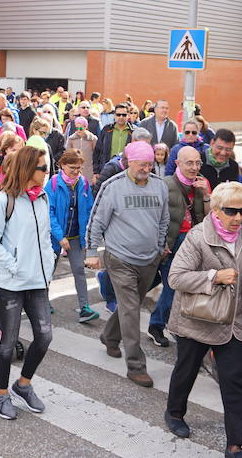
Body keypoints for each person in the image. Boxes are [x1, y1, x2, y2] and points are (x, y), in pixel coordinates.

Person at [165, 182, 242, 458]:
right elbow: (176, 277)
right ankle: (174, 412)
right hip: (196, 320)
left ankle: (235, 444)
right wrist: (214, 277)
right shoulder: (198, 237)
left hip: (232, 322)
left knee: (234, 381)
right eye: (231, 211)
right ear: (215, 210)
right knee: (186, 371)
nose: (237, 217)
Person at [87, 141, 169, 387]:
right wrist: (91, 251)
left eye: (149, 164)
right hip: (120, 258)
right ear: (128, 163)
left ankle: (110, 336)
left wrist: (160, 246)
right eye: (141, 164)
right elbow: (97, 221)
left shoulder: (159, 186)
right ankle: (136, 366)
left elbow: (163, 219)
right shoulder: (113, 186)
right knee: (132, 309)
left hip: (149, 259)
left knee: (128, 306)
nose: (146, 168)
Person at [0, 145, 54, 420]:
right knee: (8, 343)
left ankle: (23, 384)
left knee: (44, 336)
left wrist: (48, 263)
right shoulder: (4, 200)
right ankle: (2, 394)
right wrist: (14, 265)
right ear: (28, 169)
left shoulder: (43, 198)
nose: (47, 173)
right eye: (43, 168)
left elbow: (44, 237)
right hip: (11, 284)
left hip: (38, 281)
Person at [147, 145, 209, 347]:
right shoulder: (165, 185)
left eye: (198, 163)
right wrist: (161, 244)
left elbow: (209, 217)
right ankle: (157, 324)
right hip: (171, 245)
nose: (194, 167)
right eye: (189, 163)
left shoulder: (201, 183)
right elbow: (153, 218)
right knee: (171, 287)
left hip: (193, 244)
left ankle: (166, 324)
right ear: (177, 163)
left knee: (178, 288)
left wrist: (206, 194)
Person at [46, 149, 98, 323]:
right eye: (72, 167)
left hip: (76, 236)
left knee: (79, 270)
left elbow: (89, 210)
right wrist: (60, 237)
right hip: (55, 237)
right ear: (62, 165)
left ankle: (85, 308)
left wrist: (87, 237)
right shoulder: (53, 183)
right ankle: (42, 301)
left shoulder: (83, 183)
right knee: (48, 270)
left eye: (78, 168)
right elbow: (48, 212)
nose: (76, 171)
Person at [93, 104, 133, 175]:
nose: (121, 117)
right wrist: (96, 171)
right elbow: (97, 151)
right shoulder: (106, 130)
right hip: (106, 168)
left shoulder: (133, 132)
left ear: (128, 115)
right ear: (114, 115)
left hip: (126, 171)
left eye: (124, 115)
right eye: (118, 115)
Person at [65, 117, 98, 183]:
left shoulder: (92, 139)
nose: (79, 130)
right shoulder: (71, 139)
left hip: (89, 168)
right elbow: (67, 154)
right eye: (77, 128)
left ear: (86, 127)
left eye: (81, 128)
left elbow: (97, 154)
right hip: (75, 168)